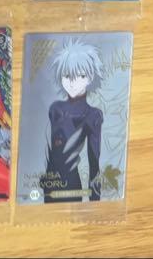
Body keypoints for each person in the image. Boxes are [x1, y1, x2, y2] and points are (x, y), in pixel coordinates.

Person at [44, 40, 104, 203]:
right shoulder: (55, 109)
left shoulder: (92, 115)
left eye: (80, 76)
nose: (72, 82)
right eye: (67, 76)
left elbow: (94, 162)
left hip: (71, 186)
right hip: (49, 186)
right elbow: (50, 151)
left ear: (90, 78)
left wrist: (95, 201)